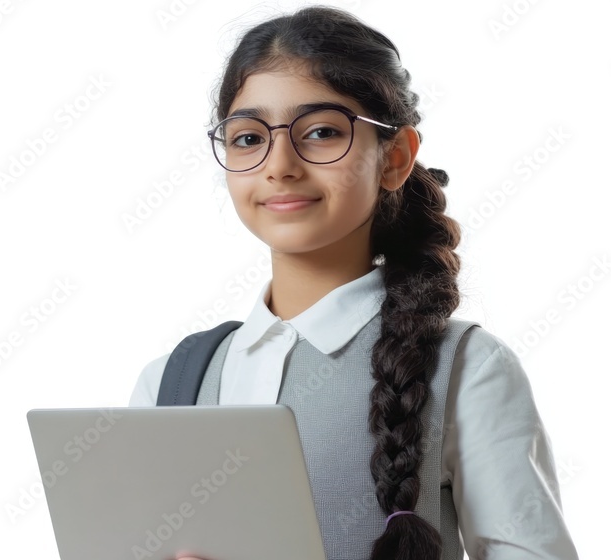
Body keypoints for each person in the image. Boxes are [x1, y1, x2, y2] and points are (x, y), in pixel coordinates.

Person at [127, 6, 578, 560]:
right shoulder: (171, 385)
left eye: (320, 132)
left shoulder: (467, 369)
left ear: (396, 158)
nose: (280, 164)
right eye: (248, 138)